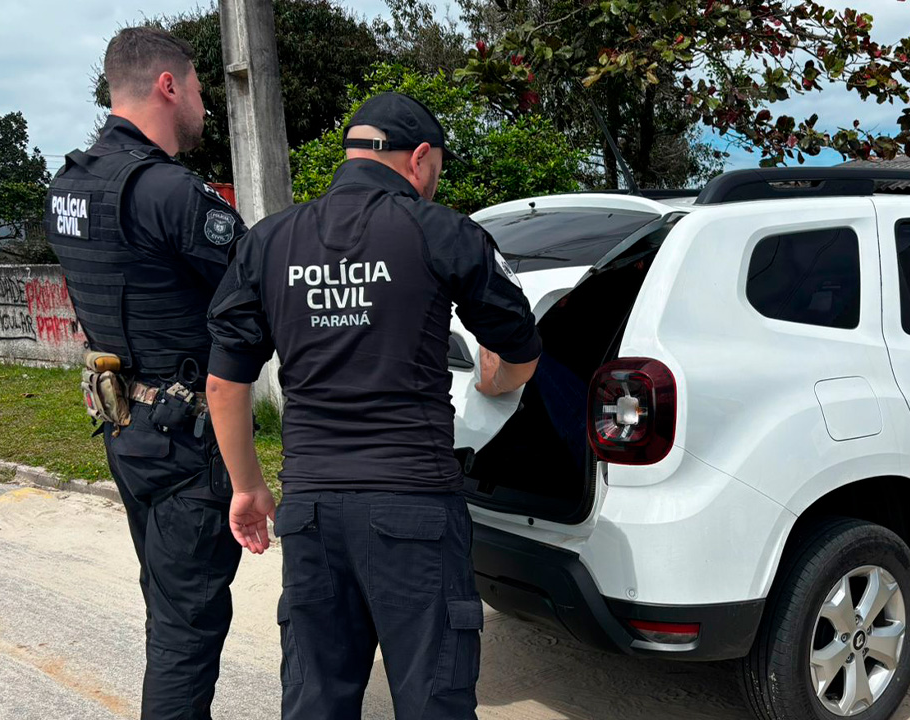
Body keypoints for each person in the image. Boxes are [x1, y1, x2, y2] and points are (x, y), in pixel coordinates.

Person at [205, 92, 542, 720]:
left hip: (309, 510)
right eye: (435, 170)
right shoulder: (443, 232)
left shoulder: (269, 241)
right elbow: (520, 349)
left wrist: (247, 488)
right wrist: (496, 384)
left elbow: (225, 385)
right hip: (414, 503)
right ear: (418, 157)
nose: (433, 186)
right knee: (432, 699)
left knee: (316, 700)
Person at [43, 26, 248, 720]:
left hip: (124, 428)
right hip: (185, 443)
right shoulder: (168, 192)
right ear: (168, 85)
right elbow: (256, 294)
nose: (202, 104)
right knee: (186, 631)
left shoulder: (69, 185)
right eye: (196, 88)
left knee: (166, 603)